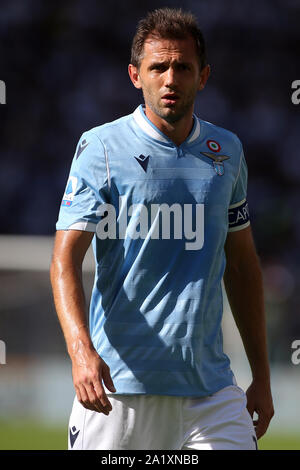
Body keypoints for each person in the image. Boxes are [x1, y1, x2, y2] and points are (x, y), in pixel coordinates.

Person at [50, 7, 274, 450]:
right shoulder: (101, 148)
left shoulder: (226, 152)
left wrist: (262, 377)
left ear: (203, 76)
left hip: (210, 391)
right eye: (159, 67)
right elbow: (64, 258)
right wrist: (81, 352)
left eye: (183, 67)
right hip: (118, 392)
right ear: (136, 75)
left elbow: (243, 266)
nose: (171, 78)